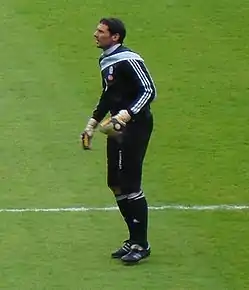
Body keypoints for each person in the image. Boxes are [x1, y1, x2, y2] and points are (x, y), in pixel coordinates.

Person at [81, 17, 156, 264]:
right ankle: (132, 239)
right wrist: (92, 124)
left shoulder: (129, 59)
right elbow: (108, 95)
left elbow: (148, 90)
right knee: (115, 182)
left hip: (134, 126)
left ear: (115, 37)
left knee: (130, 182)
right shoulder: (106, 60)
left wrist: (127, 114)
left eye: (101, 31)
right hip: (115, 127)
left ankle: (141, 243)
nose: (95, 34)